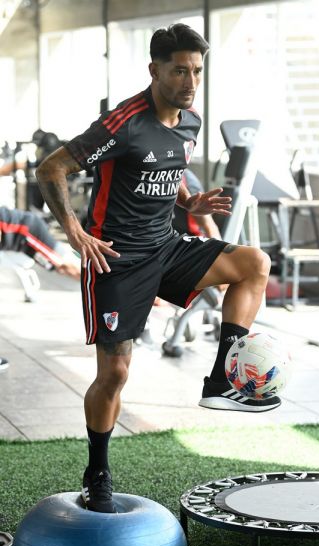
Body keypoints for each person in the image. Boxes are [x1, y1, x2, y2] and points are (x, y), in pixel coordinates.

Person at [35, 23, 279, 514]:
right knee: (115, 373)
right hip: (116, 259)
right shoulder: (123, 123)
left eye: (197, 71)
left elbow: (171, 163)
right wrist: (74, 233)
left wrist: (189, 200)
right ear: (155, 70)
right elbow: (51, 168)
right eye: (180, 71)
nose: (191, 82)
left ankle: (223, 378)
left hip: (165, 246)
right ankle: (97, 472)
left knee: (254, 263)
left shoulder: (190, 122)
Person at [0, 206, 80, 279]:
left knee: (61, 264)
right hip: (19, 238)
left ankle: (84, 275)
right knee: (57, 265)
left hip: (27, 231)